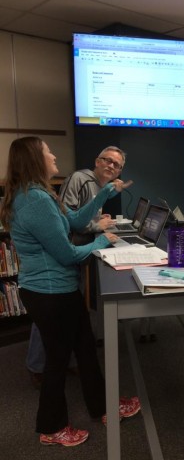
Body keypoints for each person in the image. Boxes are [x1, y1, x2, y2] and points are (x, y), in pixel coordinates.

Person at [0, 136, 140, 447]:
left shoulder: (39, 194)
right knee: (58, 360)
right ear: (36, 159)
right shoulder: (34, 200)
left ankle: (102, 407)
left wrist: (104, 191)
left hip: (60, 291)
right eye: (47, 152)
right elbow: (67, 254)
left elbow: (75, 220)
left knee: (86, 349)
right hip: (50, 294)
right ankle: (51, 427)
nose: (53, 155)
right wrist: (104, 240)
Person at [25, 146, 125, 385]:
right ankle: (37, 366)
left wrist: (98, 222)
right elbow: (69, 222)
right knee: (51, 315)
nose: (111, 166)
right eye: (107, 160)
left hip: (76, 254)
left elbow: (80, 217)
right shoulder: (80, 179)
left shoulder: (99, 187)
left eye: (117, 165)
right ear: (96, 161)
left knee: (66, 315)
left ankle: (64, 360)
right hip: (62, 258)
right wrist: (97, 228)